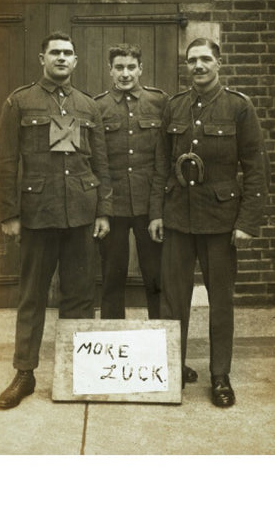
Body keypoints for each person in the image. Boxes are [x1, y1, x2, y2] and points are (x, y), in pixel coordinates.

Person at [0, 31, 112, 409]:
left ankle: (76, 371)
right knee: (31, 296)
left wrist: (103, 211)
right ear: (42, 58)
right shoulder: (20, 102)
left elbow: (101, 163)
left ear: (76, 61)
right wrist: (10, 214)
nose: (62, 58)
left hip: (79, 213)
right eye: (55, 53)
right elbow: (4, 162)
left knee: (79, 296)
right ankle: (25, 373)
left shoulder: (87, 106)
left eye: (68, 53)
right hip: (37, 215)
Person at [149, 38, 269, 406]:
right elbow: (160, 164)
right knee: (173, 301)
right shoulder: (175, 106)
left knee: (221, 302)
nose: (198, 66)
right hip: (177, 219)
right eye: (192, 60)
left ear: (219, 63)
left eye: (205, 59)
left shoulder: (239, 107)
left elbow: (255, 167)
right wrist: (156, 212)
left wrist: (247, 221)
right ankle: (172, 370)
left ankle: (220, 376)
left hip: (220, 221)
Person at [95, 43, 199, 386]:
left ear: (141, 69)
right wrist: (104, 213)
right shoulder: (98, 107)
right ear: (110, 70)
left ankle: (164, 357)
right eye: (119, 67)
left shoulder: (159, 102)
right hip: (112, 210)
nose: (125, 73)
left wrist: (157, 213)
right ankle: (111, 363)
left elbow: (162, 163)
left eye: (131, 67)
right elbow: (100, 165)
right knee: (112, 281)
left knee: (158, 282)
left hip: (149, 210)